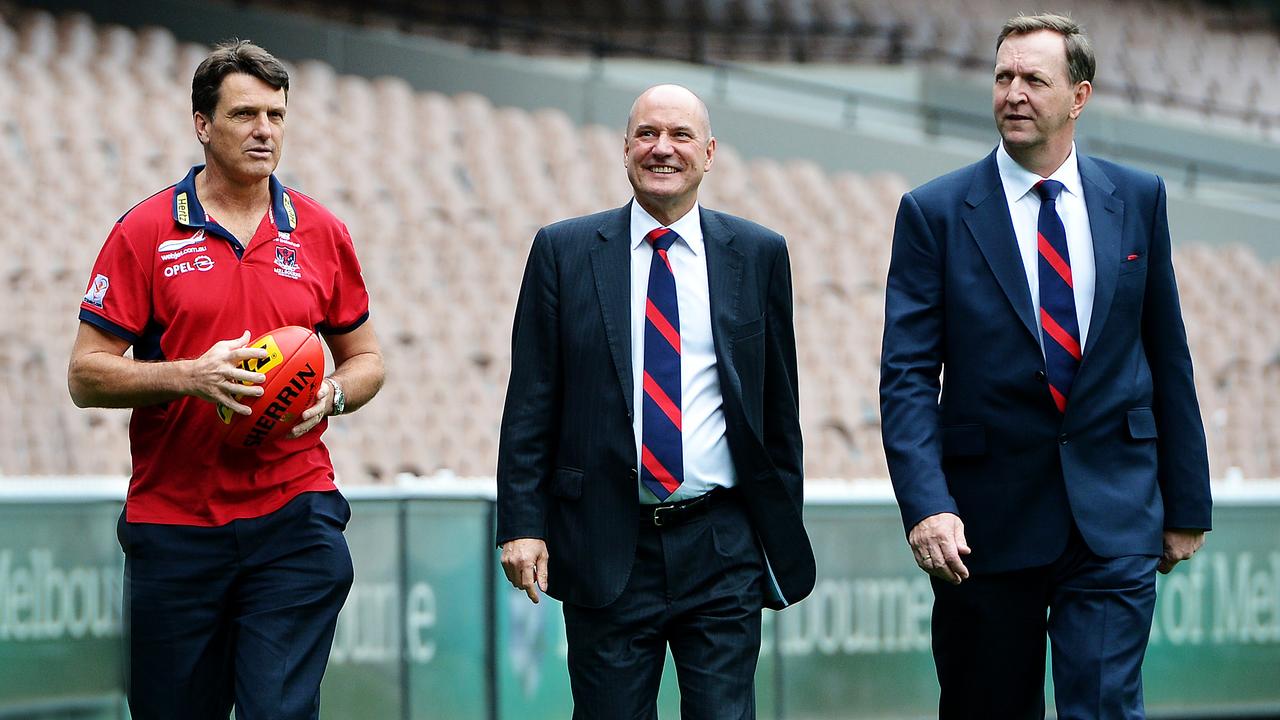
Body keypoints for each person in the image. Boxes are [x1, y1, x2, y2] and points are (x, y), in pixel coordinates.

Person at [879, 13, 1213, 718]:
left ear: (1079, 96)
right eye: (1003, 77)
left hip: (1114, 515)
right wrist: (927, 504)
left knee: (1104, 706)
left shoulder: (1139, 198)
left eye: (1034, 79)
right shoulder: (934, 212)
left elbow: (1166, 351)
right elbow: (906, 374)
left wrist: (1186, 502)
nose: (1014, 93)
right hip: (984, 526)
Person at [67, 40, 384, 719]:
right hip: (175, 525)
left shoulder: (323, 231)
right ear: (202, 125)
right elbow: (85, 376)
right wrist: (189, 377)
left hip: (294, 516)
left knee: (277, 711)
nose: (264, 130)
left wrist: (331, 393)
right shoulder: (145, 231)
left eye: (276, 114)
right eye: (245, 114)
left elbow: (366, 360)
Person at [496, 84, 815, 719]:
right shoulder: (563, 252)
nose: (662, 148)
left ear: (710, 152)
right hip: (605, 542)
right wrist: (523, 524)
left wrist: (771, 531)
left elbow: (780, 410)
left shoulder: (757, 254)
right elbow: (531, 399)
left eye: (680, 136)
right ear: (625, 148)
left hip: (722, 543)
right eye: (646, 134)